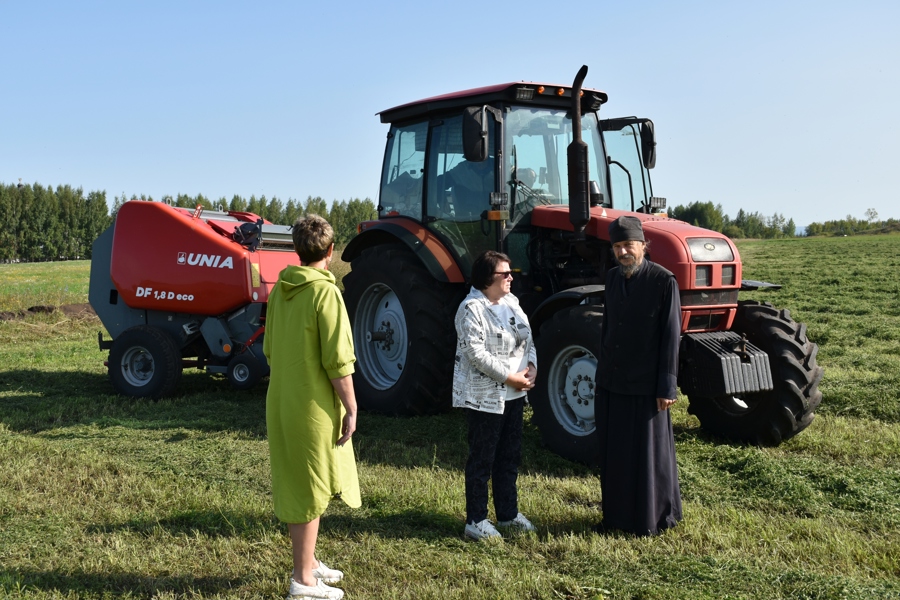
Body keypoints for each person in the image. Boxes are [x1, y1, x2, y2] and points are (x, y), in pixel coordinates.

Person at [264, 214, 360, 600]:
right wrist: (351, 408)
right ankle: (302, 581)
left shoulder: (279, 290)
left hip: (282, 398)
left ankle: (309, 562)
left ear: (297, 250)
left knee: (301, 481)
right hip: (313, 407)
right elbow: (338, 361)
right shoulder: (326, 294)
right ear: (331, 251)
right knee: (310, 488)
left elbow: (270, 347)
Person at [594, 215, 683, 536]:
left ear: (643, 245)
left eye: (628, 245)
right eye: (617, 247)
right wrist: (602, 377)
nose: (623, 252)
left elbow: (671, 336)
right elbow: (608, 331)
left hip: (647, 385)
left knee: (647, 456)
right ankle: (616, 517)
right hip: (613, 383)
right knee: (616, 453)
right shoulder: (613, 278)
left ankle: (651, 519)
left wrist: (667, 386)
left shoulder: (663, 281)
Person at [452, 250, 537, 540]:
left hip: (514, 396)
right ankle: (475, 520)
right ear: (488, 277)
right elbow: (475, 353)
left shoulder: (511, 302)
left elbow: (528, 338)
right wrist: (509, 376)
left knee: (509, 457)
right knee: (482, 459)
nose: (511, 277)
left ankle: (508, 515)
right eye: (505, 273)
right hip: (484, 397)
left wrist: (532, 367)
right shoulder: (470, 308)